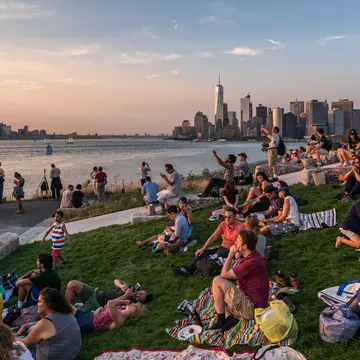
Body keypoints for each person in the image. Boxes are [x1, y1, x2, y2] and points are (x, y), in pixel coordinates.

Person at [210, 230, 269, 330]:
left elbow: (223, 274)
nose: (235, 241)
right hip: (252, 300)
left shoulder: (250, 262)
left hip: (251, 308)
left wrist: (231, 253)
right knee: (217, 296)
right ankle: (229, 317)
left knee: (217, 280)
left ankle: (221, 321)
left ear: (244, 246)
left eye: (238, 240)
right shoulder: (254, 255)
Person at [171, 207, 244, 276]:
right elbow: (214, 236)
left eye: (229, 217)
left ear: (235, 217)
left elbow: (242, 244)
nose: (227, 219)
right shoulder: (223, 224)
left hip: (231, 251)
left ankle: (192, 271)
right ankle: (187, 268)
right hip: (222, 248)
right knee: (202, 253)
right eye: (225, 217)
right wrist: (203, 248)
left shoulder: (240, 227)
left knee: (210, 258)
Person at [15, 288, 81, 360]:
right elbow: (53, 323)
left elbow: (24, 344)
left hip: (53, 357)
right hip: (73, 353)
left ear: (48, 304)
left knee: (14, 345)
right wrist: (26, 325)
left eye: (39, 301)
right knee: (31, 328)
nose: (37, 304)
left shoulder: (45, 324)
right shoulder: (66, 312)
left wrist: (9, 337)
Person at [65, 279, 152, 312]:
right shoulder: (132, 288)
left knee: (73, 285)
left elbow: (110, 305)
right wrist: (122, 286)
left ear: (140, 302)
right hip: (97, 293)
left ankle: (63, 307)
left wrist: (126, 295)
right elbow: (116, 280)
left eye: (139, 298)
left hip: (96, 304)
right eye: (140, 292)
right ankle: (65, 306)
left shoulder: (129, 304)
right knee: (72, 284)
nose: (138, 294)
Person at [73, 298, 147, 334]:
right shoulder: (121, 309)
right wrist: (100, 308)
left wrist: (124, 301)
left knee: (65, 308)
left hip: (88, 323)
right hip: (90, 316)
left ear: (133, 309)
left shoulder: (121, 319)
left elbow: (110, 303)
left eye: (133, 304)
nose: (131, 303)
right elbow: (106, 306)